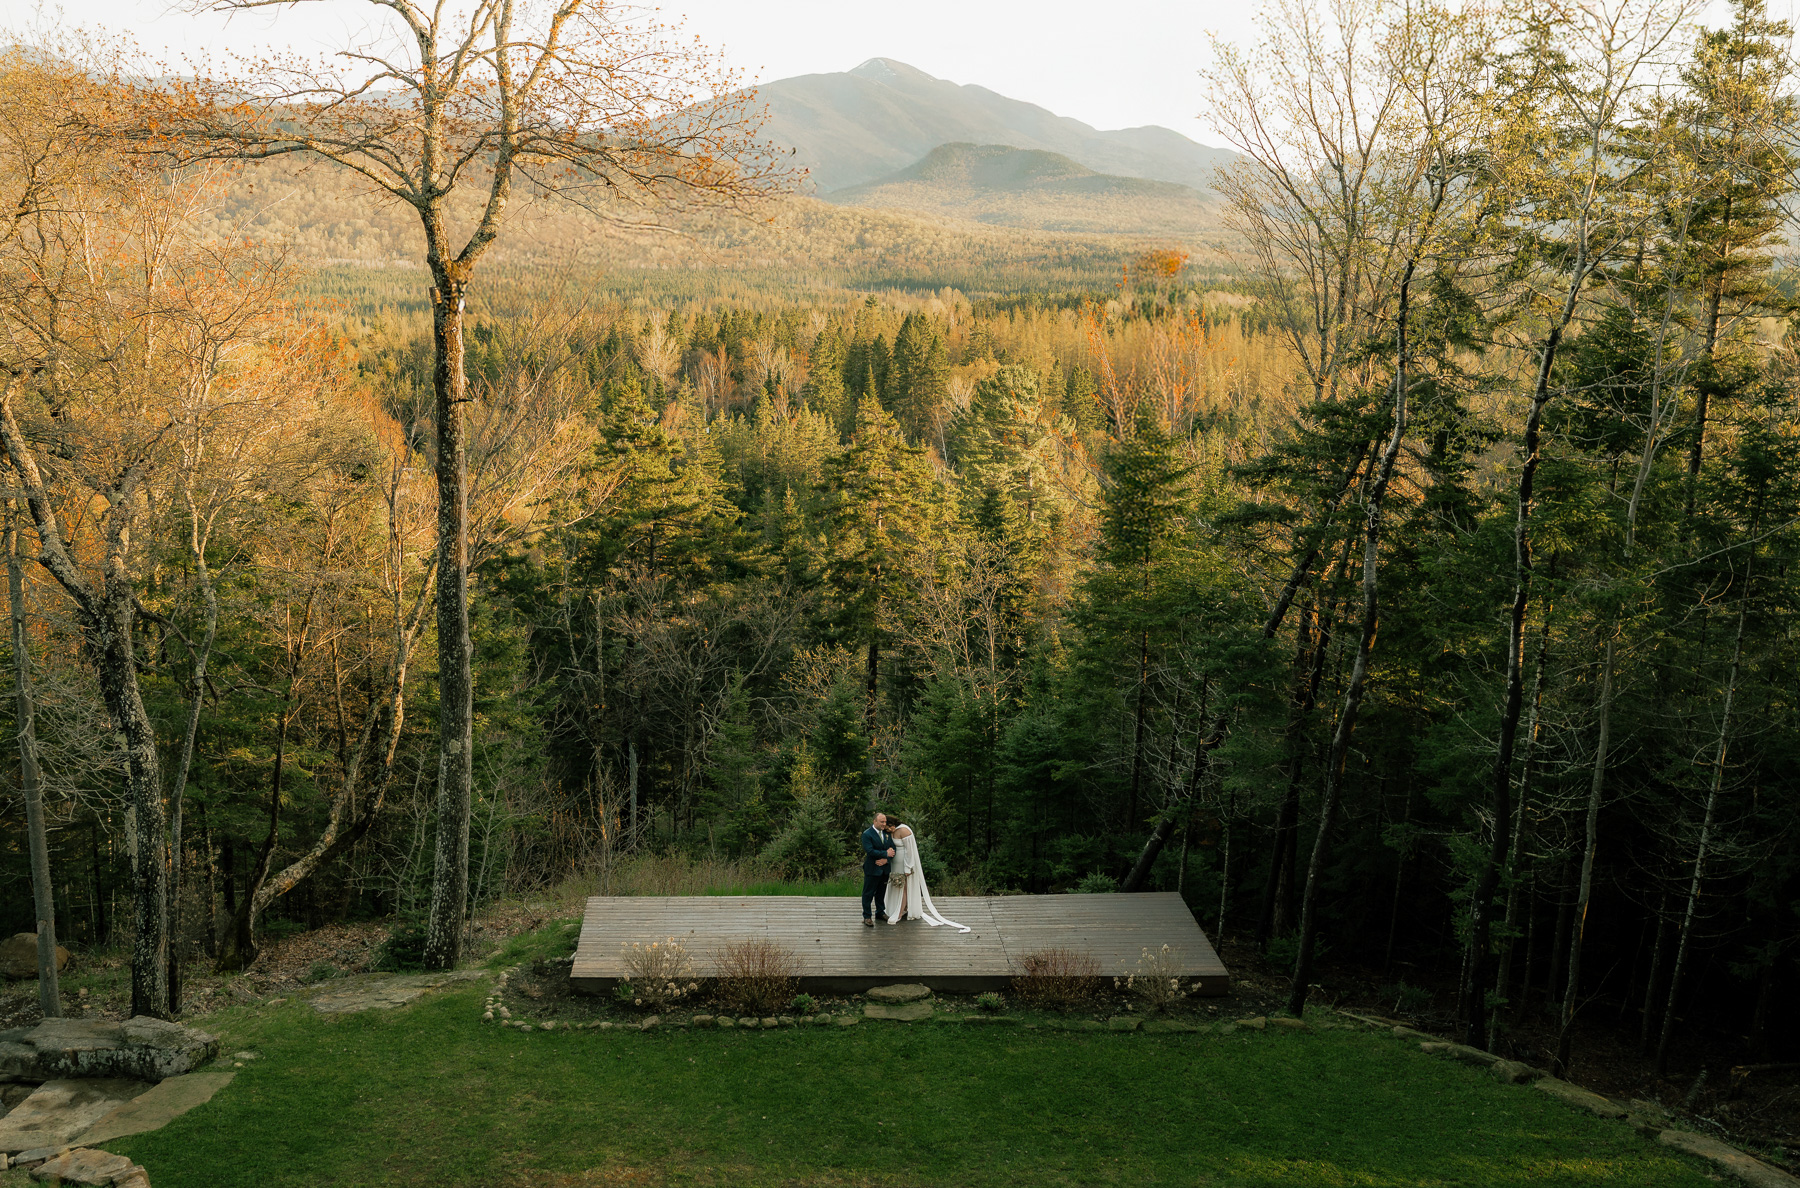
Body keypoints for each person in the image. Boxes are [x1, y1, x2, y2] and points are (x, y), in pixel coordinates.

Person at [884, 824, 970, 933]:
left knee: (903, 887)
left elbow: (909, 851)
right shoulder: (889, 833)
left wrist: (908, 867)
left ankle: (900, 912)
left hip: (903, 865)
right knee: (896, 886)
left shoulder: (903, 830)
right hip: (894, 865)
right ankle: (902, 908)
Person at [860, 812, 894, 927]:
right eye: (882, 822)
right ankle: (867, 916)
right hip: (872, 868)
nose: (884, 824)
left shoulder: (887, 834)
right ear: (874, 821)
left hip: (884, 868)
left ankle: (880, 912)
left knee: (881, 892)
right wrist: (885, 854)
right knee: (868, 893)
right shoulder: (867, 834)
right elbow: (870, 851)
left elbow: (892, 849)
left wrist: (886, 860)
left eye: (885, 822)